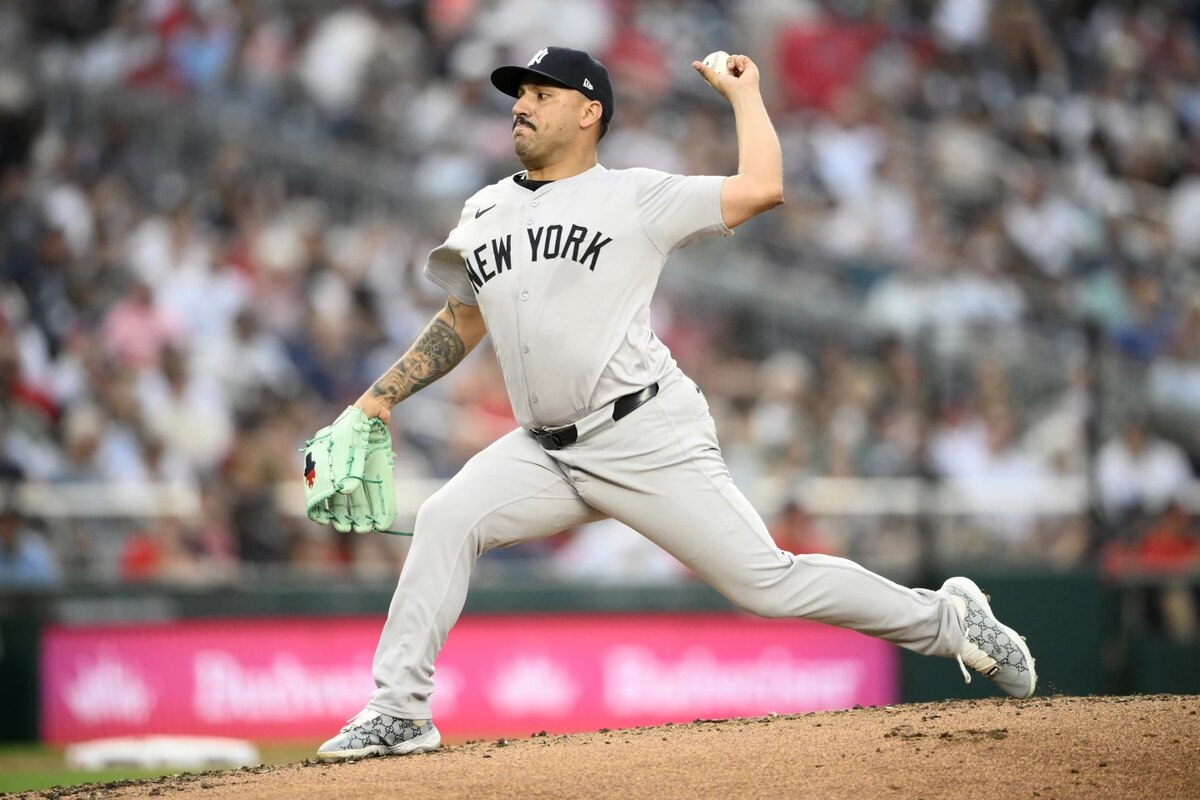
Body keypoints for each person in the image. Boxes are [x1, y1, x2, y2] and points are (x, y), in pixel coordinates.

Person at [315, 46, 1037, 760]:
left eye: (542, 93)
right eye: (520, 93)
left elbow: (761, 186)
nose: (521, 105)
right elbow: (462, 318)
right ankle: (399, 711)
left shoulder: (636, 194)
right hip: (544, 449)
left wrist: (743, 97)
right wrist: (375, 401)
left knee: (766, 584)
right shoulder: (486, 207)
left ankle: (952, 622)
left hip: (644, 431)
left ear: (589, 110)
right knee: (446, 518)